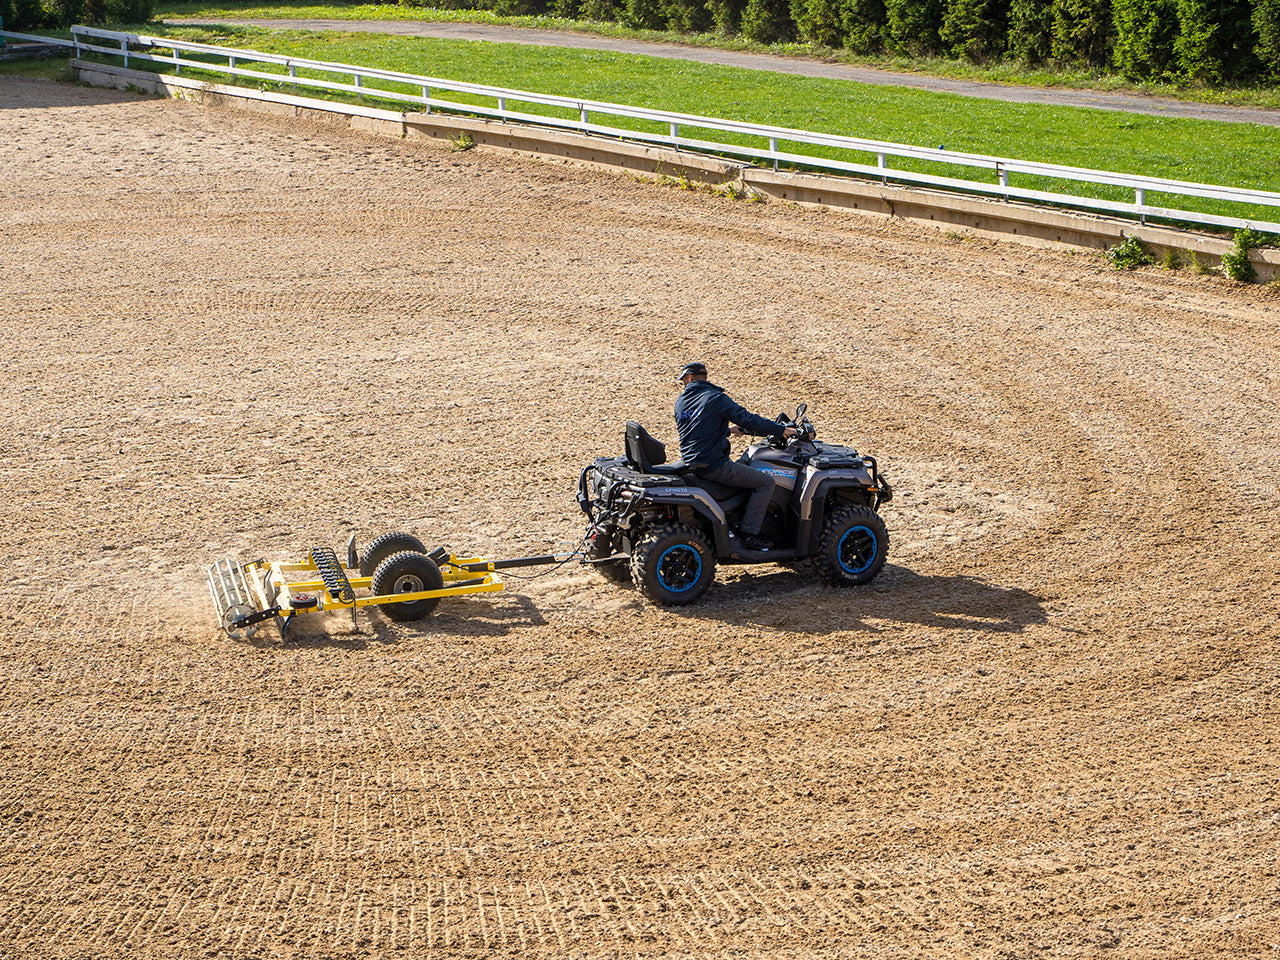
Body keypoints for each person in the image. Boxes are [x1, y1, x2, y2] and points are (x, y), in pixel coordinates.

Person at [673, 361, 797, 551]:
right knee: (765, 482)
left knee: (745, 468)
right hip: (714, 465)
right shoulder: (716, 398)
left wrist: (728, 430)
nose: (683, 384)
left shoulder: (681, 403)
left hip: (691, 461)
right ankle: (749, 534)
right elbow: (749, 419)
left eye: (683, 380)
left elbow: (698, 430)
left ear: (689, 379)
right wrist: (780, 430)